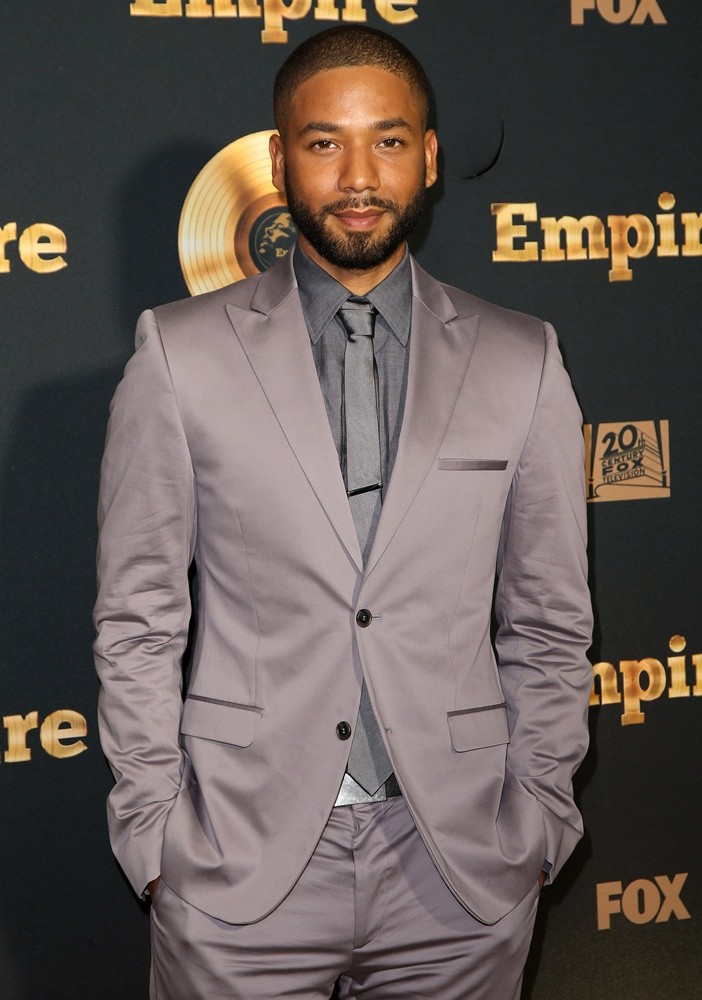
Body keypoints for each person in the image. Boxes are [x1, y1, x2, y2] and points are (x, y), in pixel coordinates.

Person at [93, 25, 593, 1000]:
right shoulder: (179, 354)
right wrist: (154, 836)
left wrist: (539, 820)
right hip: (239, 869)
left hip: (460, 874)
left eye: (390, 140)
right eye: (324, 143)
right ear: (279, 162)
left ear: (431, 156)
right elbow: (138, 610)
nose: (359, 174)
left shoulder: (521, 357)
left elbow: (549, 614)